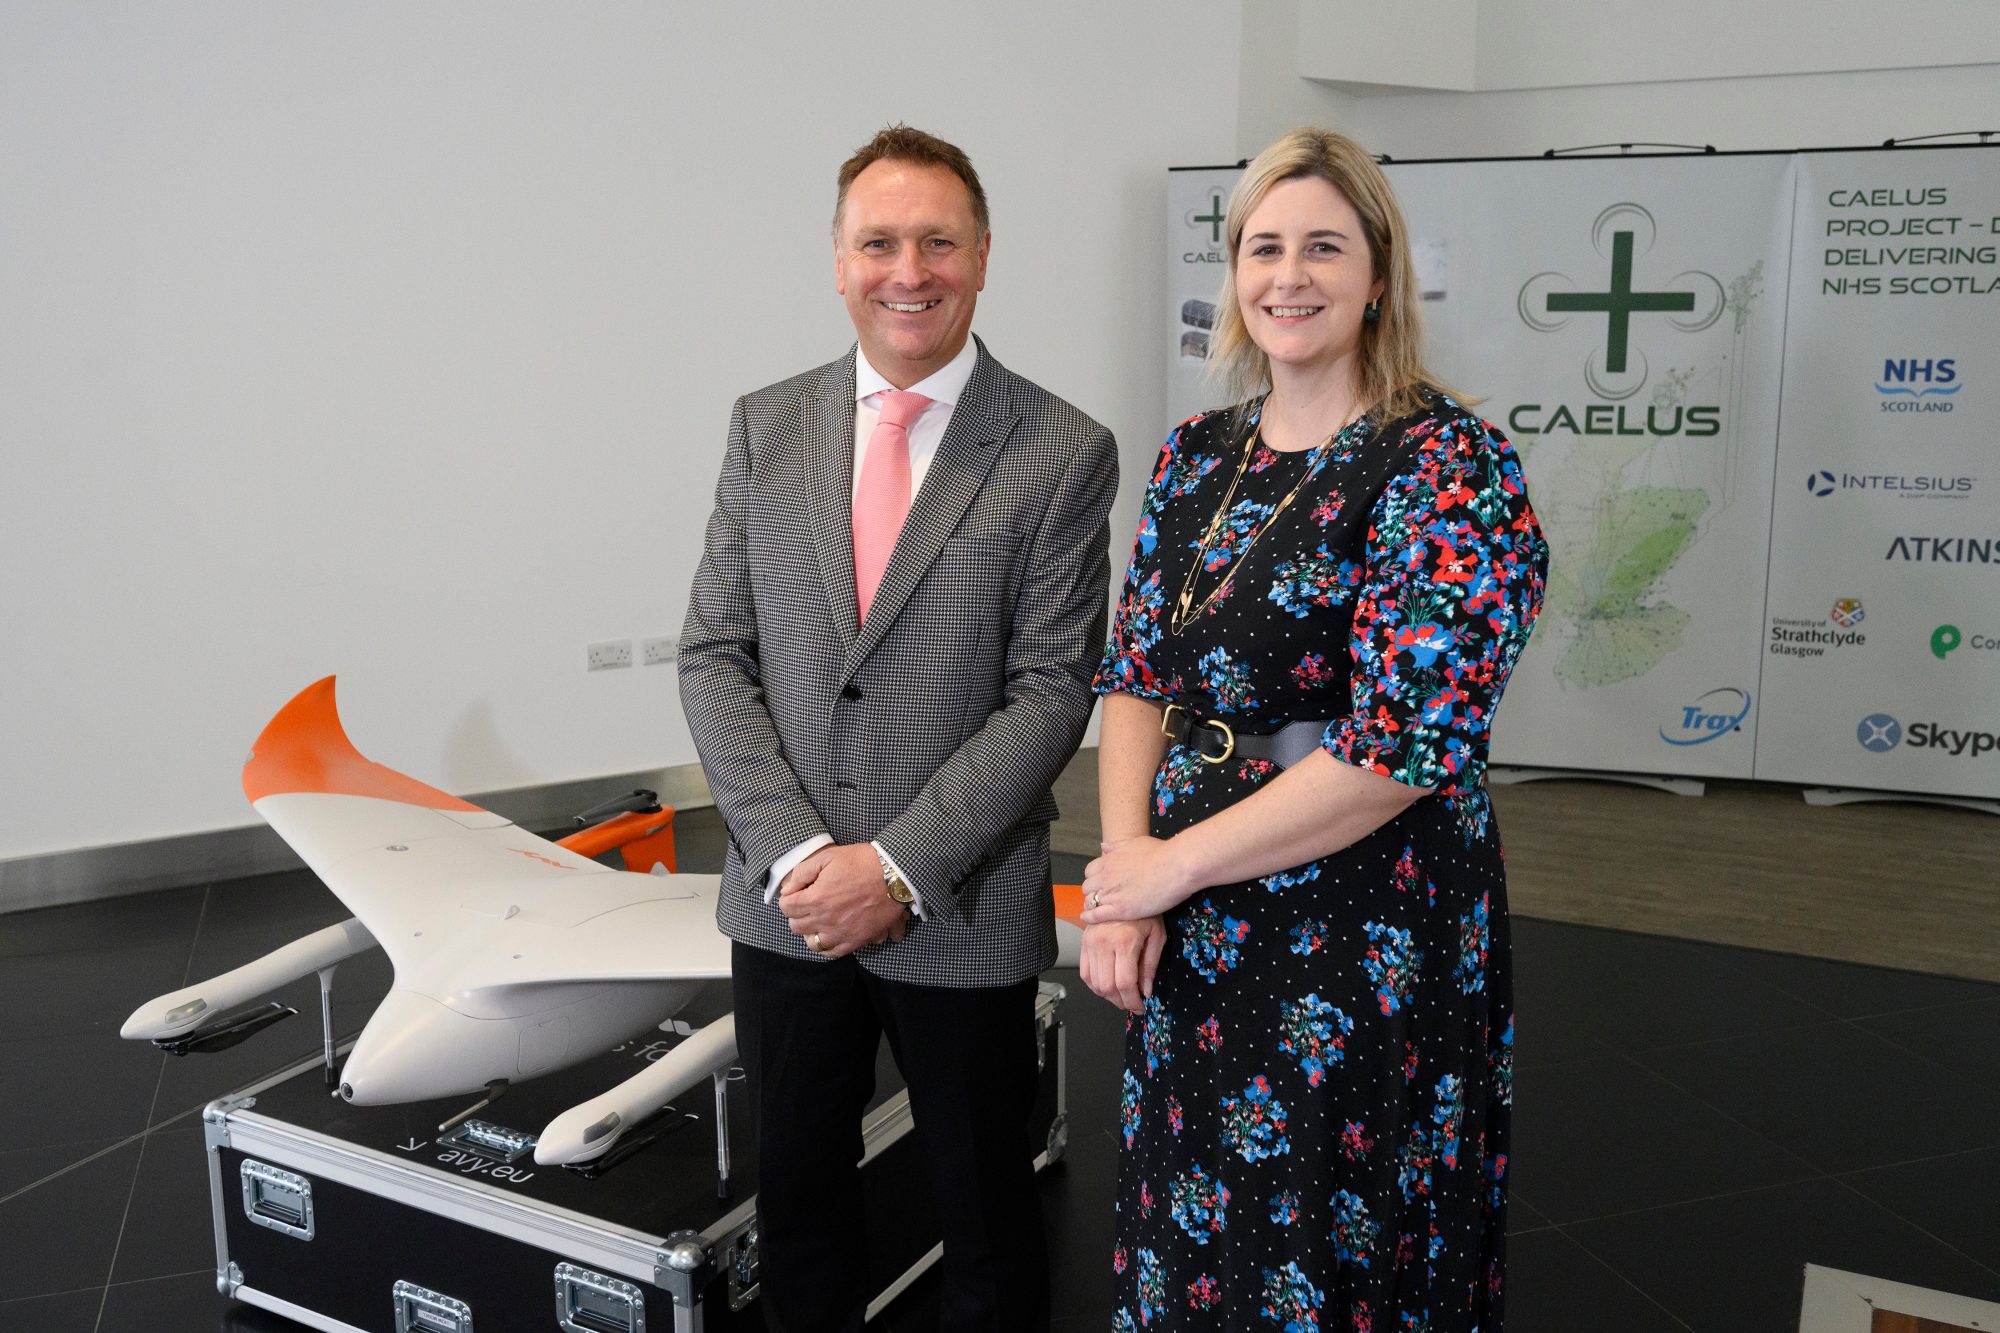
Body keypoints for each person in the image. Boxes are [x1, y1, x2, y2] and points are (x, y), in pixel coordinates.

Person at [1077, 127, 1548, 1332]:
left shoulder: (1445, 464)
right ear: (1233, 272)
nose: (1289, 275)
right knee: (1198, 1220)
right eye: (1263, 246)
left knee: (1332, 1228)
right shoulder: (1197, 455)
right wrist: (1129, 876)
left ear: (1377, 274)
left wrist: (1155, 874)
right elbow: (1135, 672)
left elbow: (1401, 744)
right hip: (1198, 915)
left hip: (1360, 924)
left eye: (1324, 248)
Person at [678, 124, 1118, 1333]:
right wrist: (797, 853)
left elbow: (1048, 691)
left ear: (981, 257)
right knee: (799, 1205)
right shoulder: (765, 427)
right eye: (878, 242)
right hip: (788, 904)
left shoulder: (1061, 449)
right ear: (836, 259)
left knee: (984, 1214)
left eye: (936, 241)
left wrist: (898, 868)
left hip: (959, 903)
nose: (906, 270)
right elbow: (715, 653)